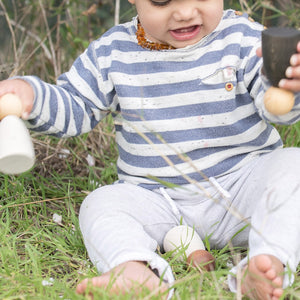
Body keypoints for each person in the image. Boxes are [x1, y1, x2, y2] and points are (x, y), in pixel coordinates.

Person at [0, 0, 300, 299]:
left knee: (294, 165)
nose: (184, 13)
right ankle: (134, 268)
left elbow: (277, 108)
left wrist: (290, 88)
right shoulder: (112, 51)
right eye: (161, 1)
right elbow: (77, 107)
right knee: (101, 202)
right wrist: (32, 97)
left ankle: (268, 261)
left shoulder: (244, 39)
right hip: (158, 199)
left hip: (242, 190)